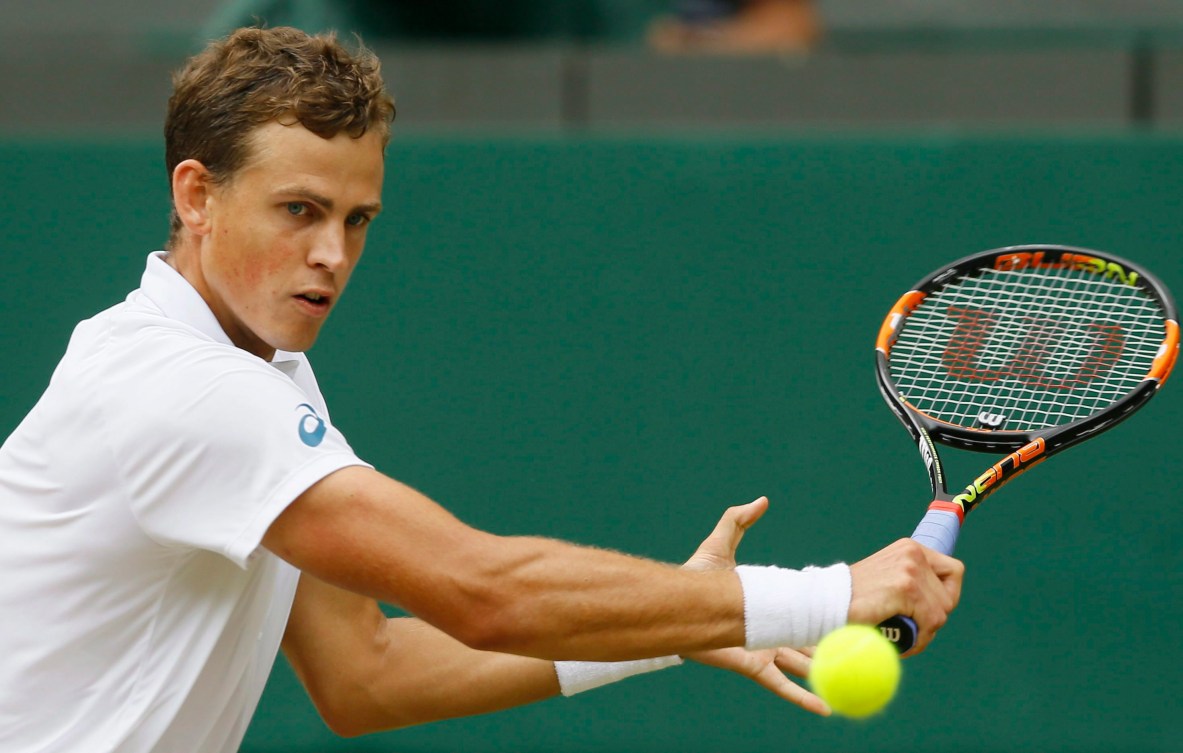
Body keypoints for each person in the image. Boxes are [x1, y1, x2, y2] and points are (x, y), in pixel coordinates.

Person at [0, 26, 963, 753]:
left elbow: (363, 673)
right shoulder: (186, 391)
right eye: (298, 210)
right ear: (196, 196)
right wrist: (828, 596)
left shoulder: (262, 370)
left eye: (356, 218)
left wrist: (674, 622)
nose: (332, 254)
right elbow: (482, 589)